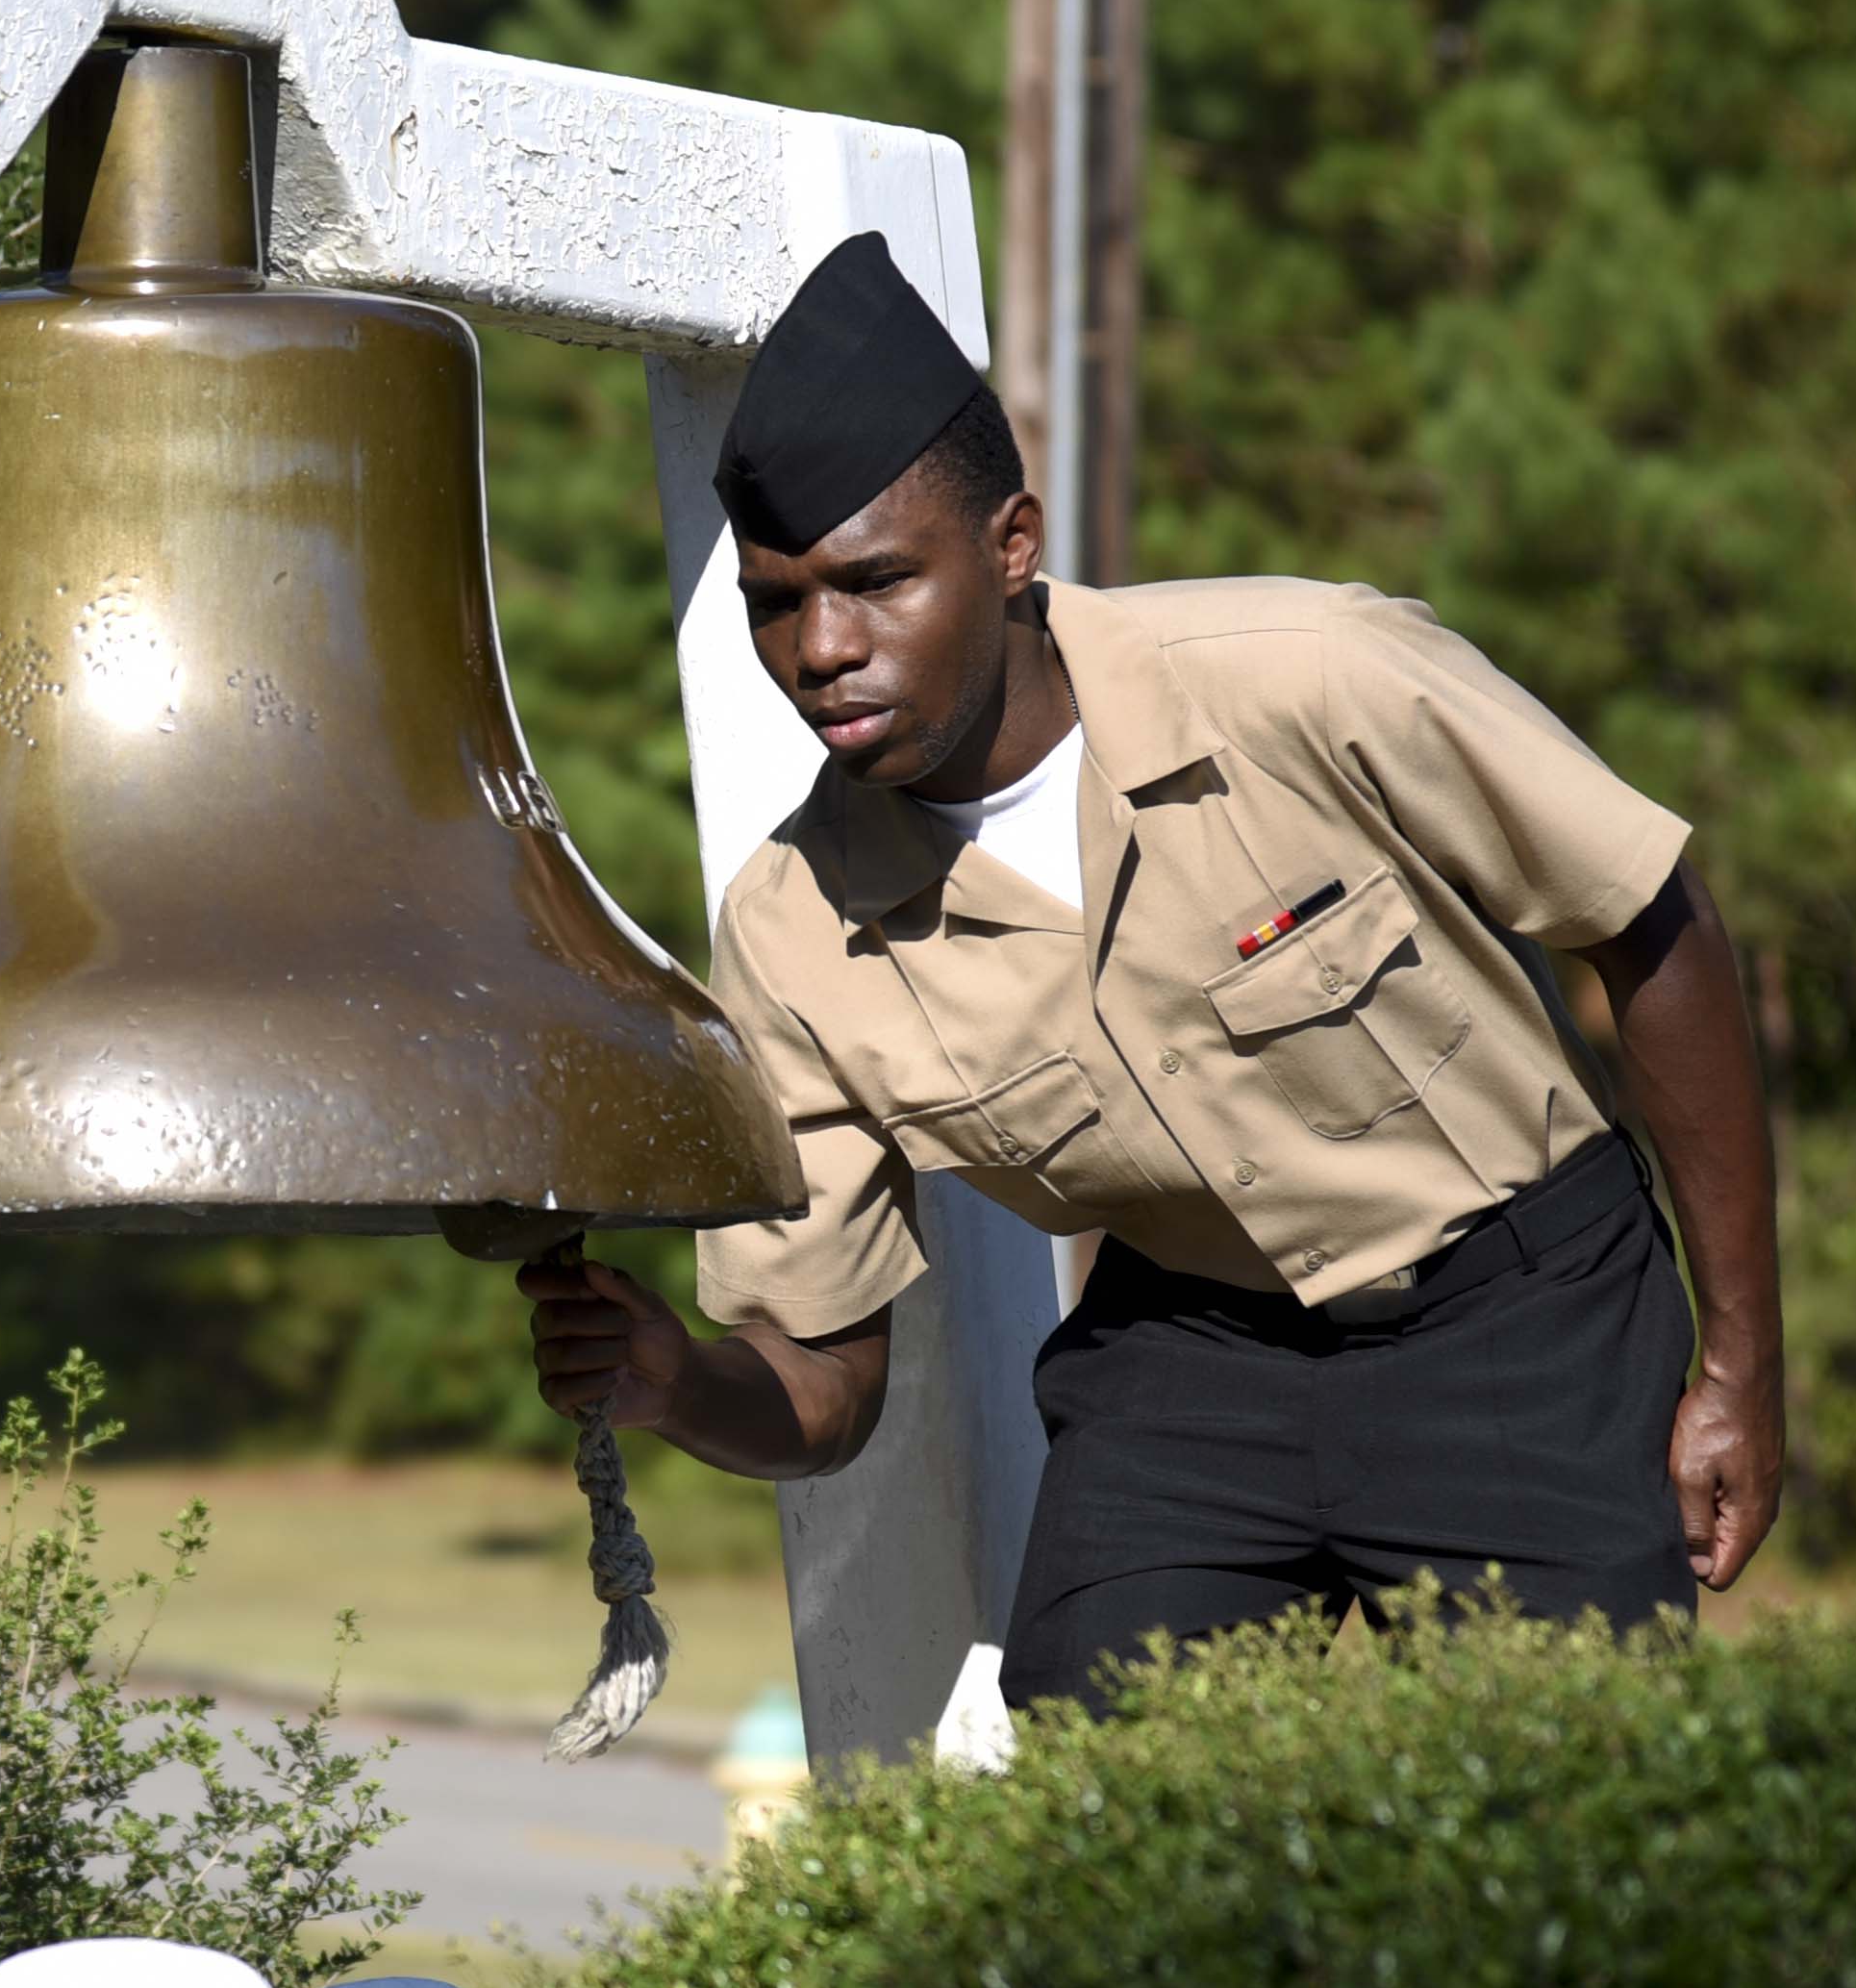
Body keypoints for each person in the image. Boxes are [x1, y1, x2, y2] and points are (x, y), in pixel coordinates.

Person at [522, 235, 1784, 1714]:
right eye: (776, 601)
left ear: (1010, 545)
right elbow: (824, 1380)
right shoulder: (797, 931)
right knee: (1106, 1812)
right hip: (1196, 1352)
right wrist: (674, 1382)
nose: (822, 649)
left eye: (874, 583)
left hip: (1519, 1314)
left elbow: (1653, 923)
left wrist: (1742, 1361)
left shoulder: (1313, 675)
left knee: (1566, 1819)